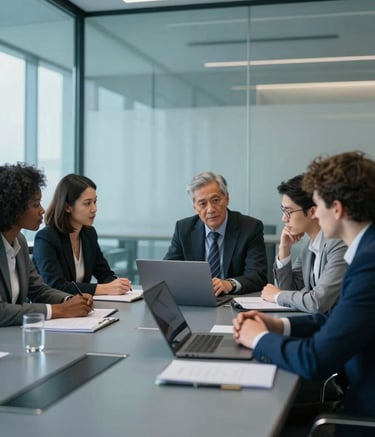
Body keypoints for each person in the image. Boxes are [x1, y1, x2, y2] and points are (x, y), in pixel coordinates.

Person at [233, 151, 375, 431]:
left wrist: (259, 338)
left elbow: (314, 361)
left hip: (362, 413)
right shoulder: (365, 253)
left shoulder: (369, 263)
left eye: (318, 205)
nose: (315, 213)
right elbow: (335, 318)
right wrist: (278, 325)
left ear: (337, 209)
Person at [0, 163, 94, 327]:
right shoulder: (44, 237)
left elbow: (38, 289)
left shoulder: (19, 241)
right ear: (13, 208)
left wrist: (70, 300)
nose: (42, 211)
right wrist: (60, 310)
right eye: (36, 204)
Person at [164, 171, 268, 295]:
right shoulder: (184, 229)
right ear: (195, 208)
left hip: (233, 303)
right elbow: (168, 270)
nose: (211, 209)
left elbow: (257, 275)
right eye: (202, 204)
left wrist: (230, 284)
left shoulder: (250, 228)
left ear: (227, 198)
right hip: (195, 300)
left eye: (215, 200)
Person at [32, 174, 132, 296]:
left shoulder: (89, 234)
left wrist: (118, 284)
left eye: (95, 202)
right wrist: (105, 289)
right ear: (67, 207)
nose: (94, 209)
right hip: (55, 310)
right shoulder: (46, 238)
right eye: (87, 203)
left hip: (81, 308)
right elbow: (56, 285)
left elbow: (104, 273)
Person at [261, 174, 347, 313]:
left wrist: (276, 295)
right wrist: (284, 249)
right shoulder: (310, 244)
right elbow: (289, 288)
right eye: (283, 211)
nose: (284, 218)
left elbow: (318, 302)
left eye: (289, 212)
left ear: (313, 211)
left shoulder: (338, 244)